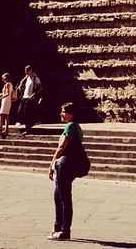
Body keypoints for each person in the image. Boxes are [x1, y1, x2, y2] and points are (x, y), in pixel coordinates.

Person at [47, 102, 86, 241]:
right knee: (58, 197)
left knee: (64, 199)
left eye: (63, 111)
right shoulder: (78, 127)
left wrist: (51, 165)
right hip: (69, 165)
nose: (61, 114)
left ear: (70, 114)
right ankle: (58, 227)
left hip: (64, 165)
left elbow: (61, 147)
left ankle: (64, 231)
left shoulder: (70, 126)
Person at [18, 64, 43, 136]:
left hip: (30, 98)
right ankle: (28, 125)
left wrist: (34, 94)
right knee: (20, 112)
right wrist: (21, 83)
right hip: (24, 97)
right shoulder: (27, 77)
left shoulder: (36, 78)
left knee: (27, 114)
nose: (25, 72)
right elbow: (22, 82)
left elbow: (40, 88)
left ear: (31, 70)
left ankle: (28, 129)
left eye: (27, 71)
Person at [0, 72, 14, 138]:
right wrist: (2, 94)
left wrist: (0, 98)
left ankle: (0, 129)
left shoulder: (7, 84)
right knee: (6, 116)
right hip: (7, 100)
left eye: (3, 78)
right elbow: (9, 94)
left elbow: (7, 93)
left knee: (1, 114)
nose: (2, 79)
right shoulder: (10, 84)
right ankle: (6, 129)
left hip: (6, 101)